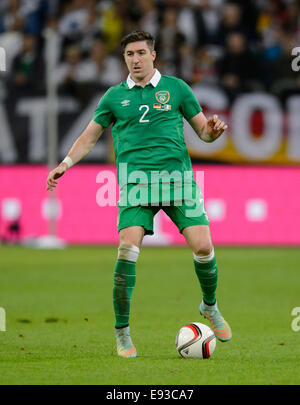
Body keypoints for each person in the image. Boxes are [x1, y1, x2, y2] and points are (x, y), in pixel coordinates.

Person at [46, 30, 232, 358]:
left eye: (141, 53)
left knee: (204, 246)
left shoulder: (177, 89)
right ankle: (122, 331)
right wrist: (65, 162)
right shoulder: (114, 97)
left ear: (153, 55)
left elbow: (203, 131)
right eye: (129, 54)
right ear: (125, 59)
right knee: (126, 249)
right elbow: (90, 136)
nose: (135, 59)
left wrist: (212, 133)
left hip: (178, 181)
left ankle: (210, 306)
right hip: (135, 184)